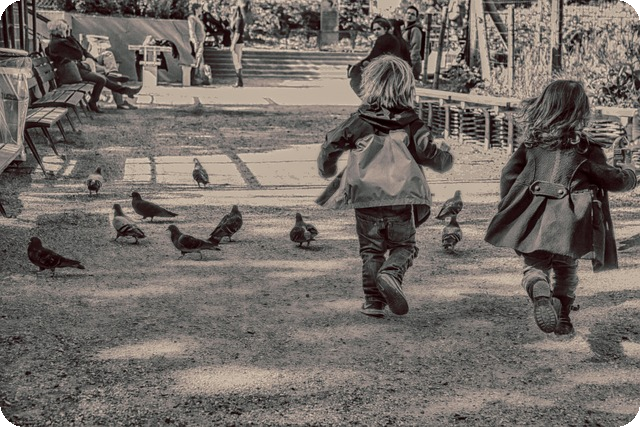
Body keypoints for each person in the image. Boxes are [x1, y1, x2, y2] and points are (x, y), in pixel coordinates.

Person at [484, 80, 638, 336]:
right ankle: (563, 316)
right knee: (566, 270)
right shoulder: (586, 149)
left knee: (534, 267)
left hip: (532, 220)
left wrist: (511, 207)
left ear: (545, 107)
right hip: (569, 223)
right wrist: (631, 173)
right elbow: (614, 180)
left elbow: (508, 176)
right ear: (580, 111)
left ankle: (539, 288)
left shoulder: (531, 145)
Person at [317, 55, 454, 318]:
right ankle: (391, 273)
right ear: (407, 87)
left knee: (371, 250)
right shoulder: (412, 123)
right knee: (405, 246)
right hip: (402, 197)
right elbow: (429, 155)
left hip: (366, 196)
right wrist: (445, 156)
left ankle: (373, 302)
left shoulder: (359, 120)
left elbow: (331, 143)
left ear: (369, 84)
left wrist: (327, 168)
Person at [46, 20, 141, 113]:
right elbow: (78, 54)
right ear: (58, 30)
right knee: (102, 79)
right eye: (65, 29)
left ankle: (117, 82)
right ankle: (110, 92)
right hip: (72, 72)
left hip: (77, 68)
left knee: (104, 73)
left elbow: (82, 51)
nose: (67, 31)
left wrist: (89, 58)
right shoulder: (59, 43)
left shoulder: (60, 41)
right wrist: (70, 38)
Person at [348, 17, 405, 97]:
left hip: (386, 69)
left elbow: (373, 56)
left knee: (355, 81)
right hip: (393, 69)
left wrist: (359, 64)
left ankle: (370, 101)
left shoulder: (383, 39)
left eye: (378, 29)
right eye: (374, 30)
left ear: (385, 29)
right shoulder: (392, 38)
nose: (376, 32)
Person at [230, 0, 252, 88]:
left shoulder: (239, 20)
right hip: (238, 42)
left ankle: (239, 81)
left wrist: (232, 44)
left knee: (237, 62)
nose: (231, 12)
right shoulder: (236, 20)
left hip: (237, 43)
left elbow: (237, 33)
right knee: (236, 62)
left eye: (233, 10)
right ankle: (239, 81)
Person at [188, 2, 208, 85]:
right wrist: (195, 41)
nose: (201, 10)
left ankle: (198, 78)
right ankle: (193, 79)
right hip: (197, 42)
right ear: (196, 9)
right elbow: (191, 30)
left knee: (200, 61)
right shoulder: (192, 18)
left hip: (200, 42)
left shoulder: (198, 18)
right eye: (200, 8)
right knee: (197, 60)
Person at [402, 5, 423, 80]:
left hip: (412, 64)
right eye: (408, 13)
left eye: (412, 14)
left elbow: (415, 49)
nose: (409, 15)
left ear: (416, 18)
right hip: (405, 63)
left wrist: (411, 66)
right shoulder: (404, 29)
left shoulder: (415, 30)